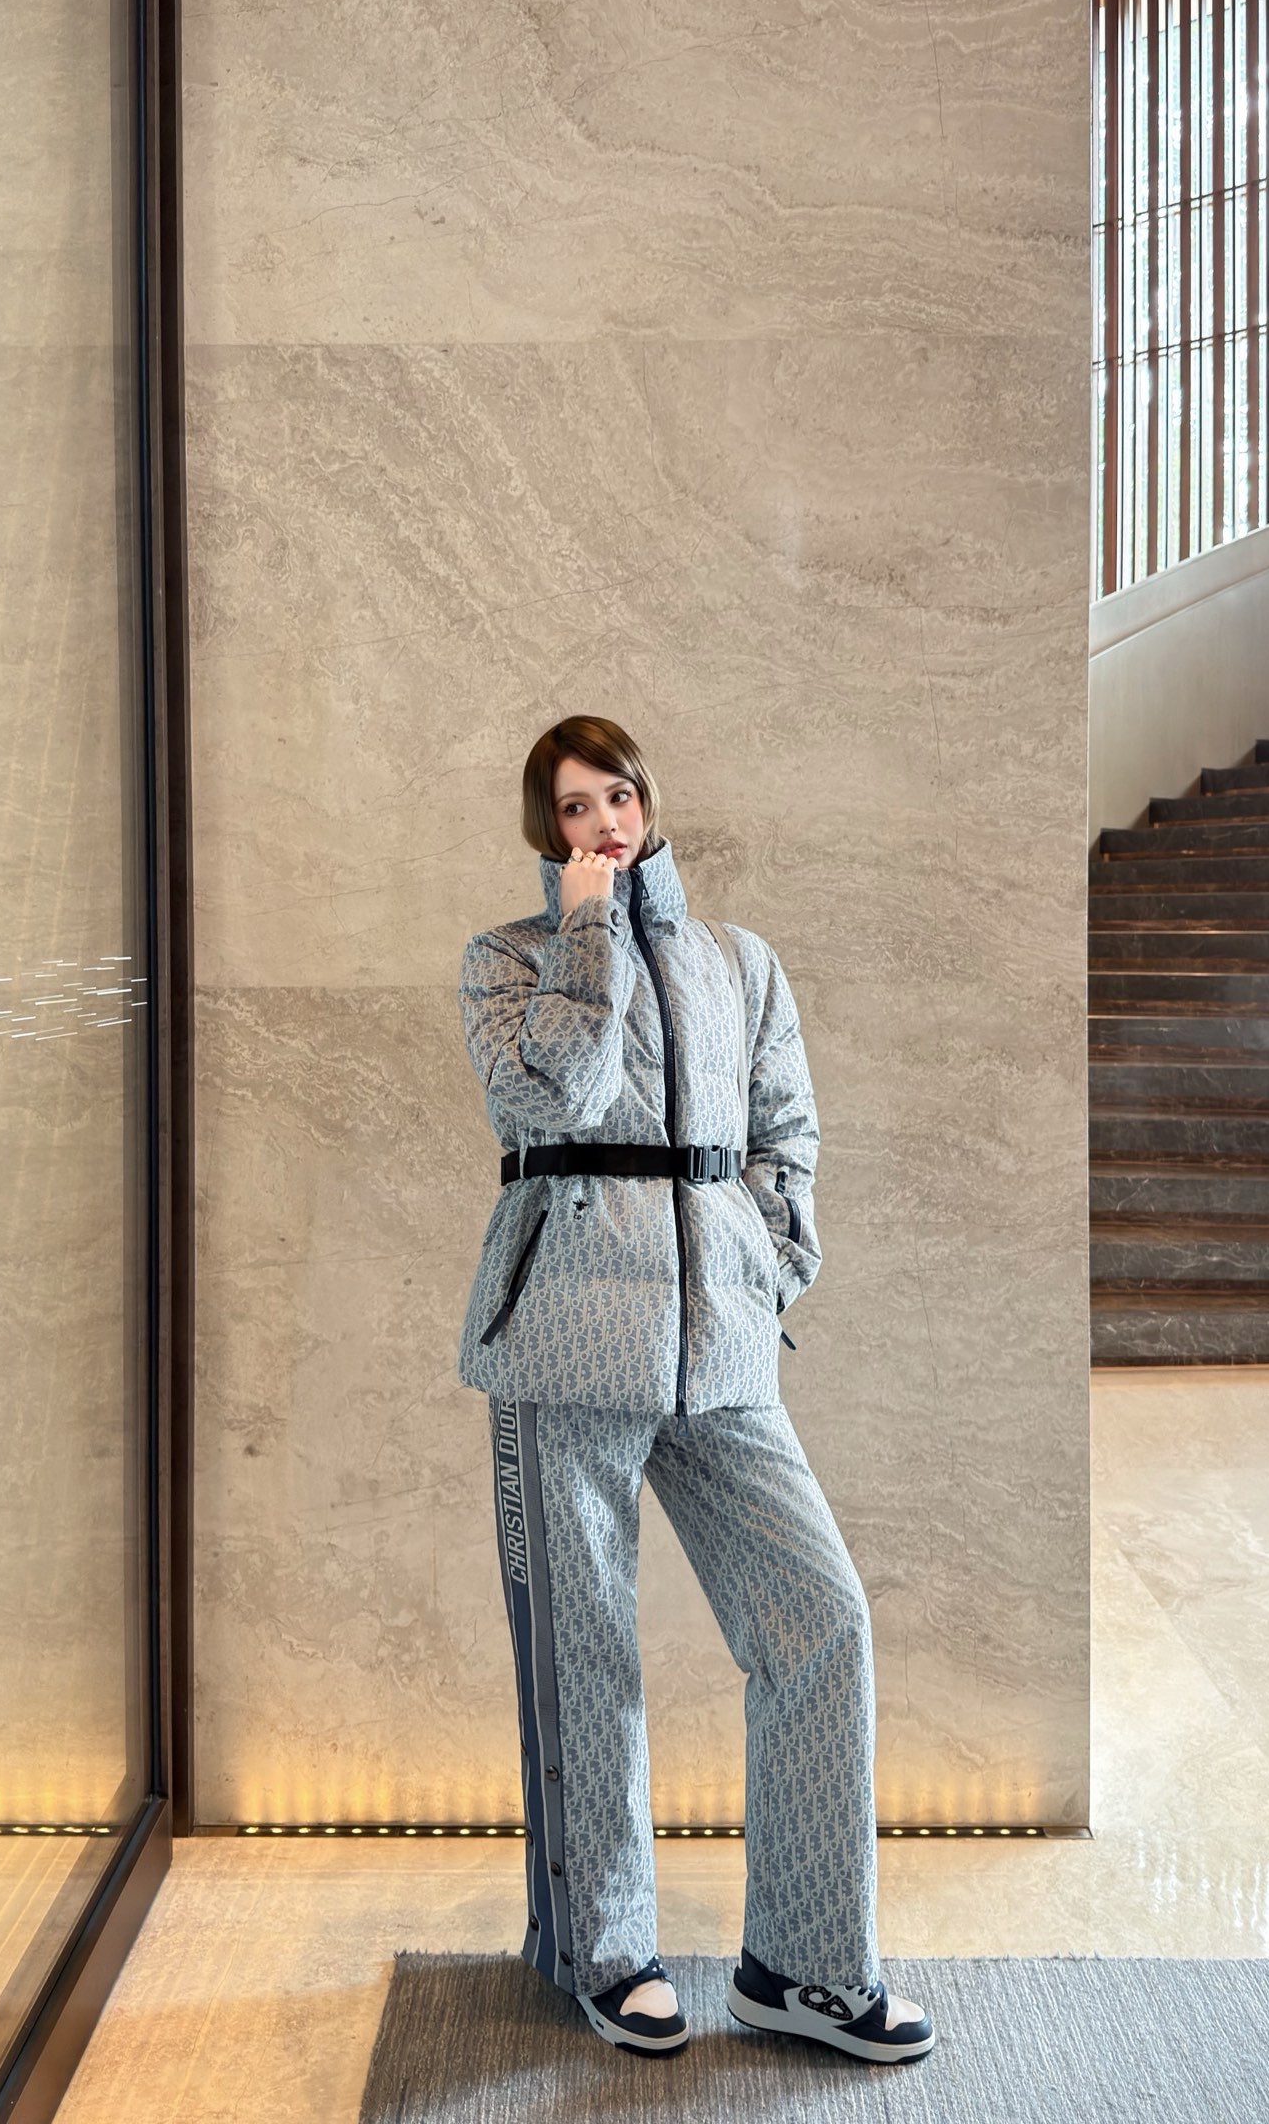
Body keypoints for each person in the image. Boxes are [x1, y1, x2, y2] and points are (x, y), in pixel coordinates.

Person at [455, 715, 935, 2066]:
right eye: (573, 806)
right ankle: (608, 1954)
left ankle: (805, 1966)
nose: (603, 822)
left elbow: (787, 1131)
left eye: (617, 795)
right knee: (585, 1656)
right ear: (546, 829)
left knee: (820, 1622)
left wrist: (768, 1259)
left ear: (649, 800)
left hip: (721, 1343)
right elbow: (551, 1099)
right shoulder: (509, 960)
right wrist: (589, 931)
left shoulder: (740, 963)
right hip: (564, 1343)